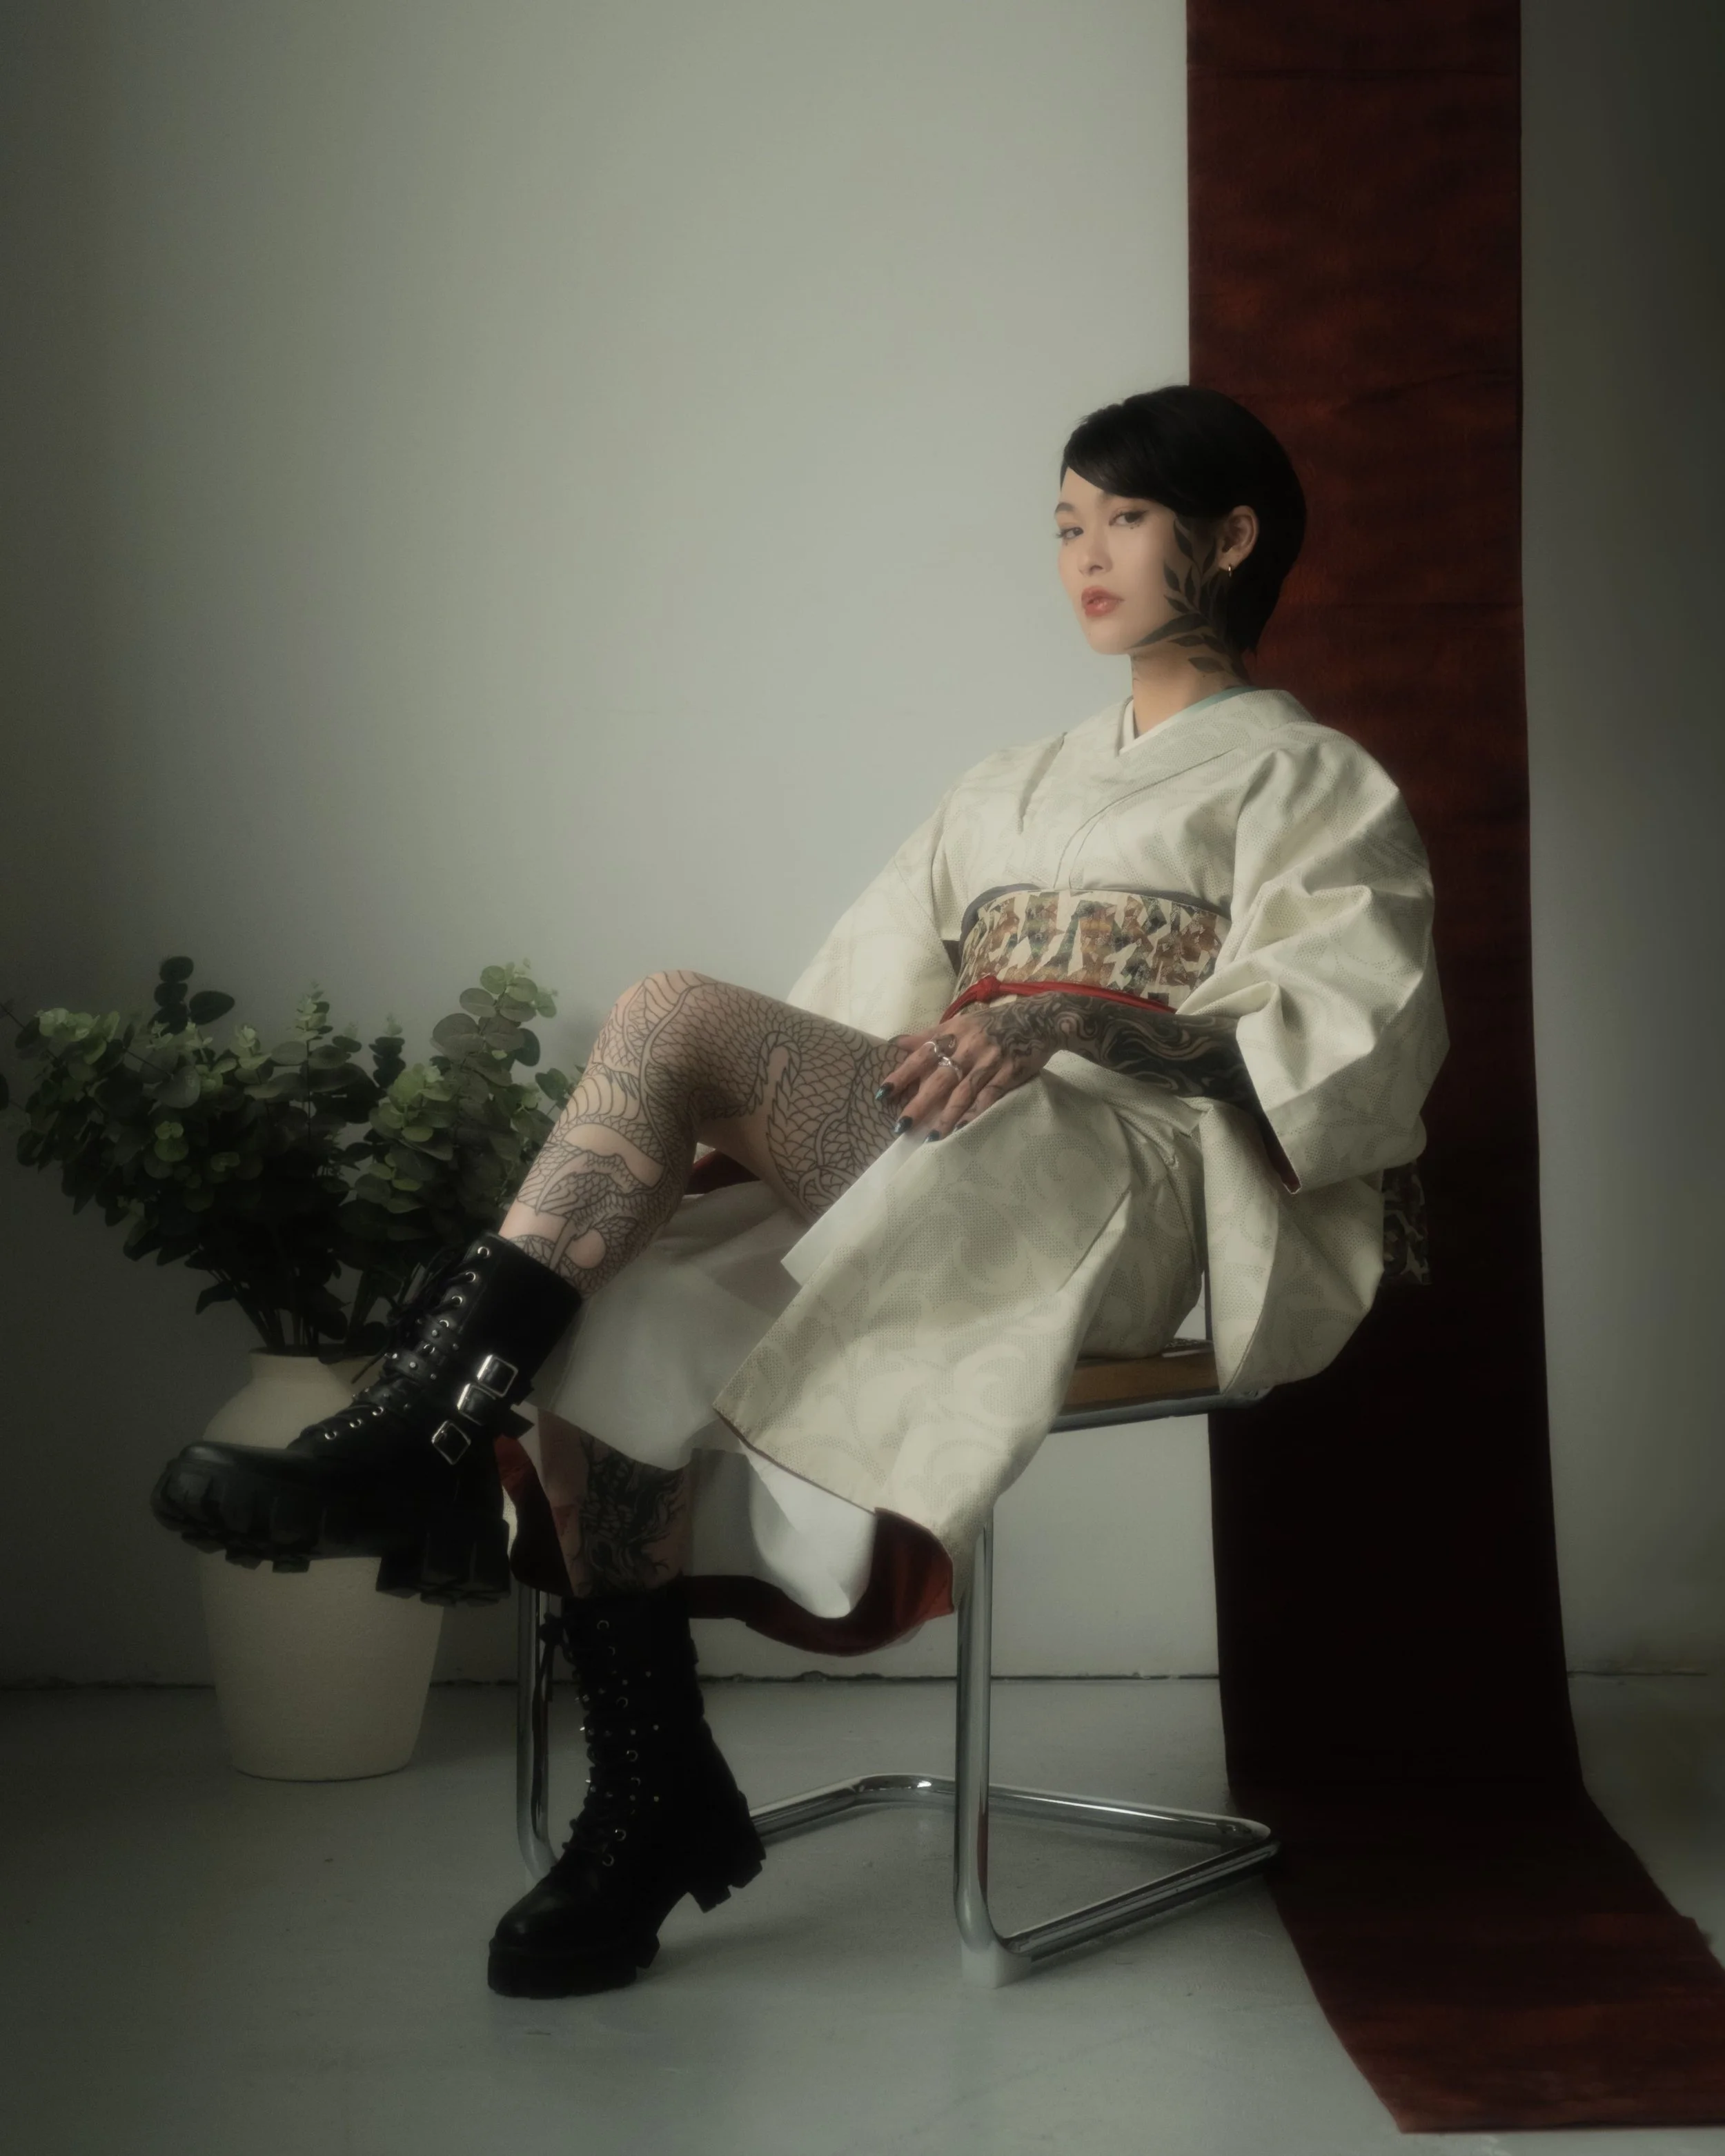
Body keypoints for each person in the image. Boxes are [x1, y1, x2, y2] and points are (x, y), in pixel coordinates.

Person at [151, 383, 1448, 2000]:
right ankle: (648, 1782)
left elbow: (1347, 1052)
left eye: (1118, 515)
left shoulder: (1315, 784)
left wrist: (1070, 1013)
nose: (1081, 554)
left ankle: (424, 1408)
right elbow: (856, 1013)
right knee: (621, 1292)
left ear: (1230, 536)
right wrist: (840, 1090)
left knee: (675, 1011)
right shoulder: (1001, 782)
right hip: (947, 1162)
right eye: (1061, 522)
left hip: (1108, 1191)